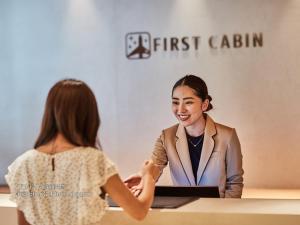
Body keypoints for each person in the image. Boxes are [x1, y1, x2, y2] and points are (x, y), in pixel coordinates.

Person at [5, 79, 159, 225]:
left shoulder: (22, 165)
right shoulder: (93, 160)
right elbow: (139, 211)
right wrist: (148, 177)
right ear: (88, 115)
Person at [126, 75, 243, 198]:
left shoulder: (227, 135)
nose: (180, 109)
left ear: (204, 104)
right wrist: (143, 176)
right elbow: (155, 166)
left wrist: (224, 214)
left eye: (188, 102)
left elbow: (235, 183)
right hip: (184, 211)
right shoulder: (166, 137)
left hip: (219, 211)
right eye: (175, 102)